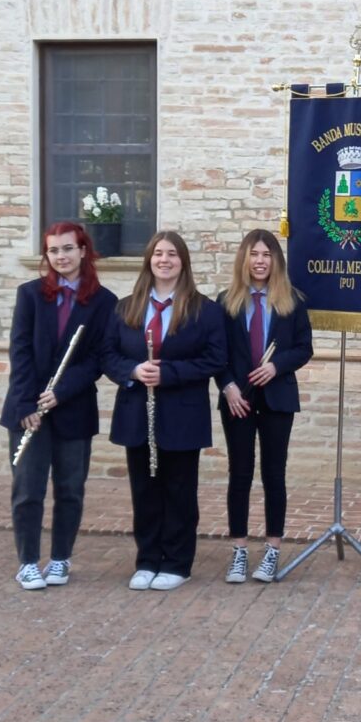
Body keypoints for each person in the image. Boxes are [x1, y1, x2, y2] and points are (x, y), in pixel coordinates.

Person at [102, 231, 226, 591]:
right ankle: (147, 559)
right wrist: (133, 371)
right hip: (137, 410)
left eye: (172, 254)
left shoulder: (205, 310)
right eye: (158, 253)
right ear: (149, 260)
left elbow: (215, 359)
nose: (164, 260)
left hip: (182, 412)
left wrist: (168, 373)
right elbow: (108, 355)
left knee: (179, 489)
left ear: (183, 262)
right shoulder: (127, 307)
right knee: (144, 490)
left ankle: (176, 562)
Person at [1, 222, 117, 590]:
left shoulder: (104, 302)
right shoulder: (30, 295)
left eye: (68, 248)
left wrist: (61, 391)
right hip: (28, 408)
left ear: (83, 250)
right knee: (28, 489)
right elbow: (19, 352)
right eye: (54, 251)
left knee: (70, 489)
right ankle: (28, 562)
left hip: (73, 408)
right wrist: (26, 405)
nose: (61, 256)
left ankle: (61, 559)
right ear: (47, 256)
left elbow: (98, 358)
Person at [216, 229, 313, 584]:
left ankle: (272, 550)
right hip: (238, 400)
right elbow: (217, 354)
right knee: (239, 474)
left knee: (275, 474)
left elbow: (304, 347)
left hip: (277, 398)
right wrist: (227, 387)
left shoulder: (293, 301)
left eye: (266, 255)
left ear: (276, 261)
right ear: (244, 259)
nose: (260, 261)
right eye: (254, 254)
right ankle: (239, 550)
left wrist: (277, 365)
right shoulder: (226, 301)